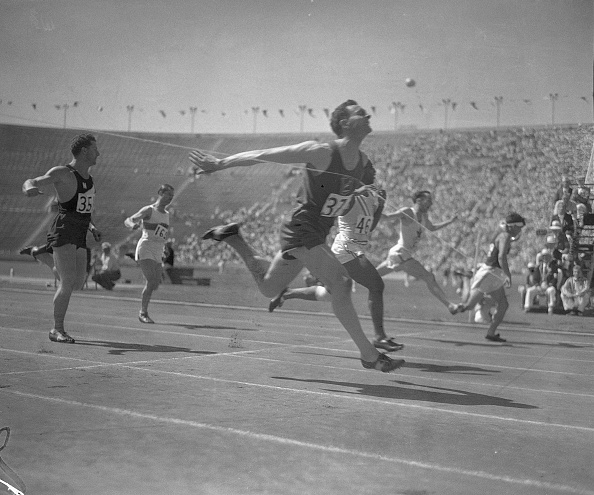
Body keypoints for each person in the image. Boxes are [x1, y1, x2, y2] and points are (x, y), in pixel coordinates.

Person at [189, 100, 404, 373]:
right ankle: (369, 355)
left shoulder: (363, 164)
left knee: (268, 288)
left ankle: (233, 238)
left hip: (316, 234)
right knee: (340, 285)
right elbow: (264, 154)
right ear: (344, 123)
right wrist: (220, 163)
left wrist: (370, 196)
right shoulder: (321, 152)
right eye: (359, 112)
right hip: (302, 228)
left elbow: (362, 193)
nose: (368, 113)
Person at [268, 168, 404, 352]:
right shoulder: (350, 196)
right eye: (368, 176)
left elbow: (369, 227)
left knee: (327, 294)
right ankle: (380, 337)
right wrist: (357, 192)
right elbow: (330, 206)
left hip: (353, 248)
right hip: (346, 248)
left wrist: (380, 205)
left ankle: (287, 293)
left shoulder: (371, 198)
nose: (373, 179)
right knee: (376, 285)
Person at [21, 133, 102, 343]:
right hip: (64, 230)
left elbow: (85, 210)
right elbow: (33, 180)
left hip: (81, 232)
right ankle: (57, 329)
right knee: (66, 283)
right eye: (95, 149)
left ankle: (43, 256)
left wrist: (92, 228)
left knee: (78, 283)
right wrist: (29, 187)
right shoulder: (63, 173)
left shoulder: (90, 180)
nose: (98, 153)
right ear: (84, 151)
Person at [375, 190, 462, 315]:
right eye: (428, 201)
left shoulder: (424, 217)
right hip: (401, 253)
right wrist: (375, 209)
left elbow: (432, 228)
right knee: (429, 277)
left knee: (374, 276)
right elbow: (387, 218)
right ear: (419, 200)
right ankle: (450, 306)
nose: (431, 204)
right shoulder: (408, 211)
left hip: (399, 255)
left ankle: (349, 278)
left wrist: (450, 221)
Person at [458, 213, 526, 342]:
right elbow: (501, 257)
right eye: (519, 227)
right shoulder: (504, 236)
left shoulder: (503, 236)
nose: (520, 230)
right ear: (512, 226)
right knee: (469, 305)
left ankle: (491, 332)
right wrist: (508, 275)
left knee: (503, 304)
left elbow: (506, 243)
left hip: (493, 273)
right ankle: (454, 306)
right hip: (491, 272)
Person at [125, 184, 175, 323]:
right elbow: (128, 220)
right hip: (146, 247)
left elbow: (162, 234)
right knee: (151, 281)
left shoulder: (167, 215)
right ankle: (143, 313)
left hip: (158, 250)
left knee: (155, 284)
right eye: (168, 194)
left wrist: (164, 246)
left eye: (172, 196)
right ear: (160, 193)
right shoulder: (149, 210)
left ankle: (143, 310)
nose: (170, 198)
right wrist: (132, 225)